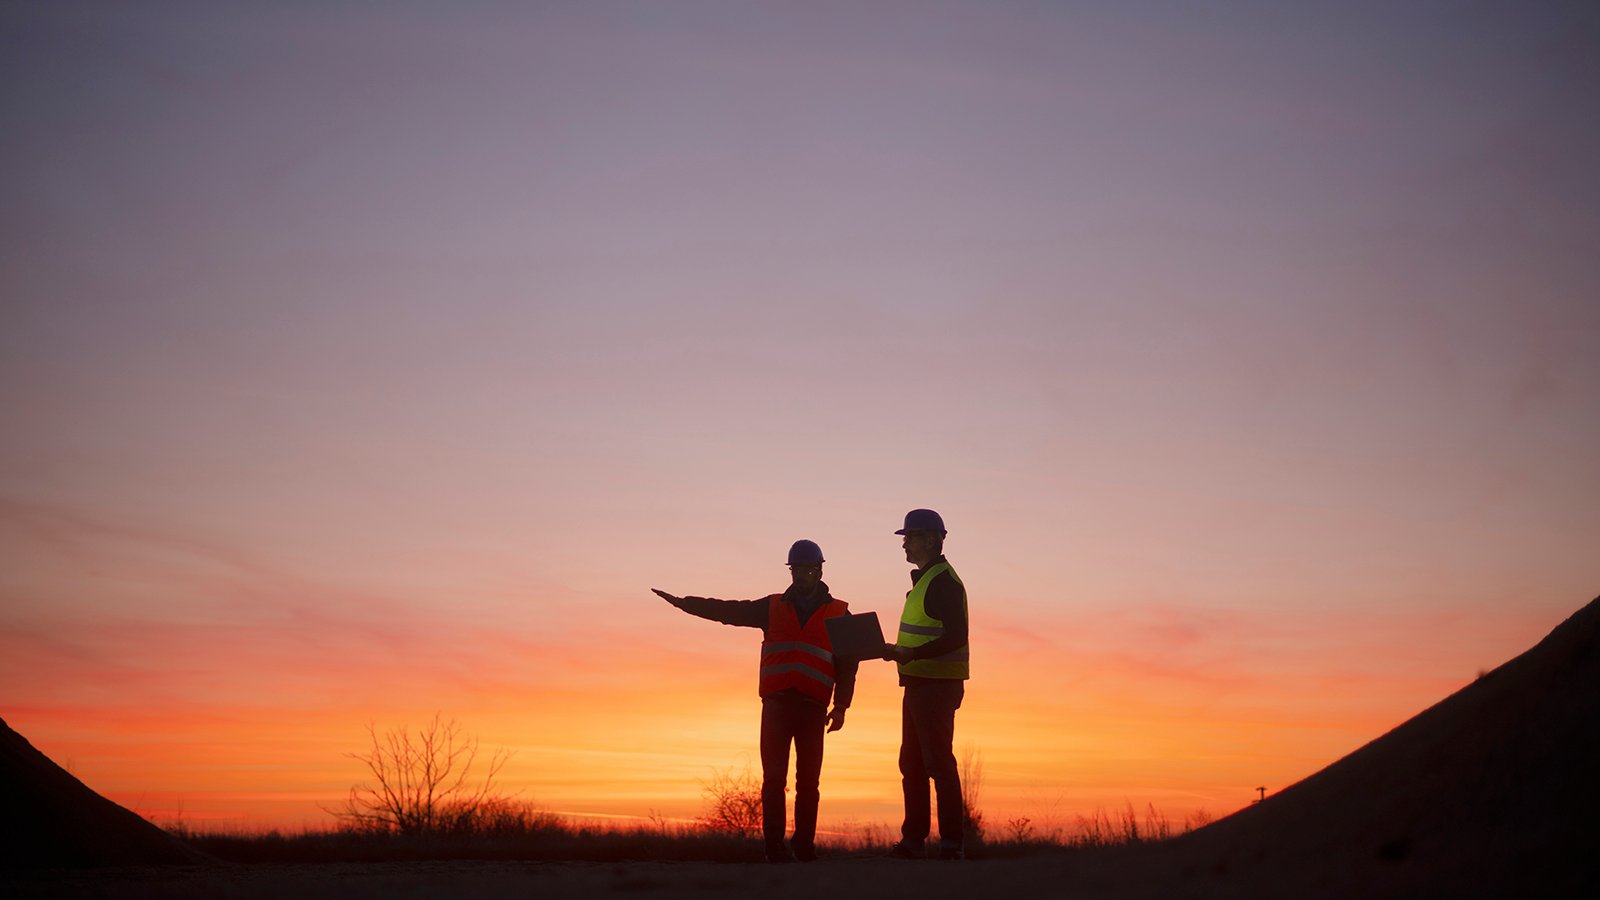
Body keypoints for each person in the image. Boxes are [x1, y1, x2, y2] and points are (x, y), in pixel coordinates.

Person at [653, 539, 858, 864]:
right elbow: (728, 611)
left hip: (813, 709)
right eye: (796, 570)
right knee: (773, 779)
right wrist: (684, 603)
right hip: (776, 706)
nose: (801, 576)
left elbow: (848, 663)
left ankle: (804, 847)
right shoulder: (772, 607)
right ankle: (773, 848)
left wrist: (842, 705)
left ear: (820, 571)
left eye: (807, 570)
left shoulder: (839, 613)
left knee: (808, 782)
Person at [881, 508, 970, 860]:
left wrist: (913, 654)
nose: (904, 544)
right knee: (913, 763)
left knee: (937, 763)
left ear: (932, 540)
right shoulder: (925, 582)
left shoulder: (943, 582)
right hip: (919, 683)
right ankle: (913, 842)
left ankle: (950, 844)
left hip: (936, 685)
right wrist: (901, 653)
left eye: (910, 537)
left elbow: (956, 636)